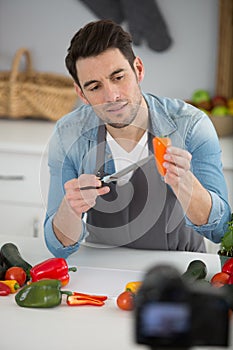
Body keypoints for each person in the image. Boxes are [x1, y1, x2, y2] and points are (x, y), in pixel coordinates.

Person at [44, 19, 231, 258]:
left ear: (138, 69)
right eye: (94, 87)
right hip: (102, 266)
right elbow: (58, 246)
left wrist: (187, 185)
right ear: (81, 93)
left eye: (118, 77)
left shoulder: (192, 125)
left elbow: (222, 230)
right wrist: (70, 209)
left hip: (181, 268)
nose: (111, 96)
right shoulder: (68, 133)